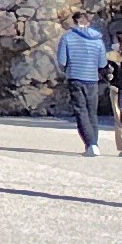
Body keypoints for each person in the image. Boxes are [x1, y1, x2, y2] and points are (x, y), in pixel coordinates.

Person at [51, 9, 110, 150]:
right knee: (92, 113)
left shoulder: (67, 37)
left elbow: (62, 61)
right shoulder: (97, 39)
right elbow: (102, 63)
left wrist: (67, 69)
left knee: (81, 111)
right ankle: (94, 142)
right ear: (87, 22)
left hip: (75, 77)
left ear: (74, 21)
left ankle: (91, 144)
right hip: (92, 79)